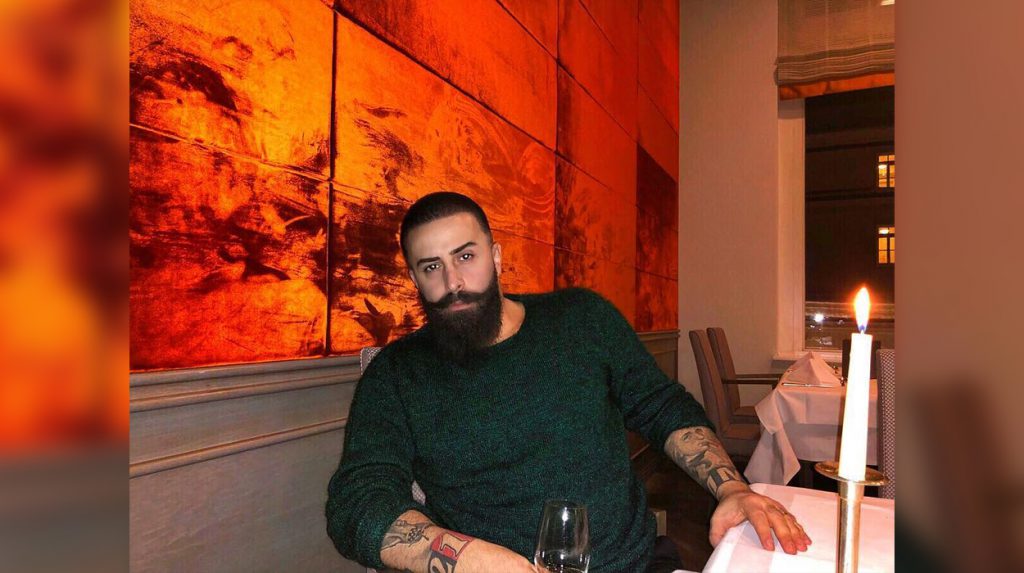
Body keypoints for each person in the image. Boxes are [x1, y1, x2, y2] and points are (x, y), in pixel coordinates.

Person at [326, 192, 810, 572]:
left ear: (495, 256)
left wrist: (732, 489)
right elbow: (358, 502)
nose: (453, 282)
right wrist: (468, 559)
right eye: (432, 267)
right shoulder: (396, 374)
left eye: (465, 256)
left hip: (634, 564)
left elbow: (662, 405)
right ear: (415, 280)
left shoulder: (581, 318)